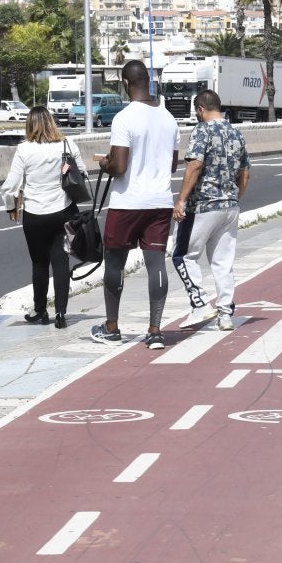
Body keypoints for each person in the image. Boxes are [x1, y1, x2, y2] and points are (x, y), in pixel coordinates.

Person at [92, 60, 179, 350]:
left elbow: (119, 166)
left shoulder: (124, 118)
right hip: (160, 202)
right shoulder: (168, 118)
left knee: (115, 263)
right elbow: (172, 165)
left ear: (126, 84)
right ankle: (155, 331)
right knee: (156, 262)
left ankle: (112, 327)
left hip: (128, 202)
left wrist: (105, 163)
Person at [173, 89, 251, 331]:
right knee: (223, 262)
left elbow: (195, 165)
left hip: (203, 205)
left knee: (183, 255)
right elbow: (245, 174)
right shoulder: (237, 134)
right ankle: (225, 314)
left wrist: (181, 200)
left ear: (200, 109)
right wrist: (233, 198)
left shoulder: (202, 130)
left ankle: (199, 304)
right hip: (230, 206)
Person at [2, 106, 80, 329]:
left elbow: (12, 184)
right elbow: (81, 172)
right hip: (63, 209)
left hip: (35, 213)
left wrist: (10, 207)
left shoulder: (24, 150)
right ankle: (62, 314)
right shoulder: (66, 144)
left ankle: (40, 310)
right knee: (61, 261)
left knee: (39, 262)